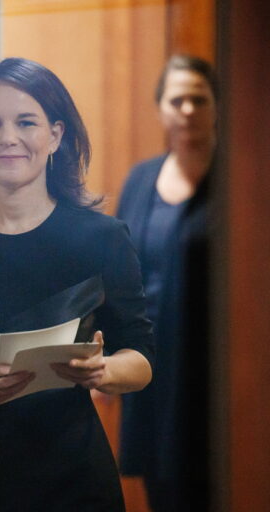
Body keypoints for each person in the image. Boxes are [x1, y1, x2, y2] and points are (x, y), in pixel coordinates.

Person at [0, 57, 154, 511]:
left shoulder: (101, 238)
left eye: (26, 122)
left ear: (55, 135)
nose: (9, 138)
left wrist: (103, 371)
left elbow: (142, 357)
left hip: (80, 484)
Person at [117, 55, 217, 512]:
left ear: (217, 106)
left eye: (200, 98)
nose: (189, 109)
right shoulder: (140, 180)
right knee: (162, 492)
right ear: (160, 109)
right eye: (178, 99)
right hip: (151, 371)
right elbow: (115, 272)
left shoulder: (240, 180)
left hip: (212, 371)